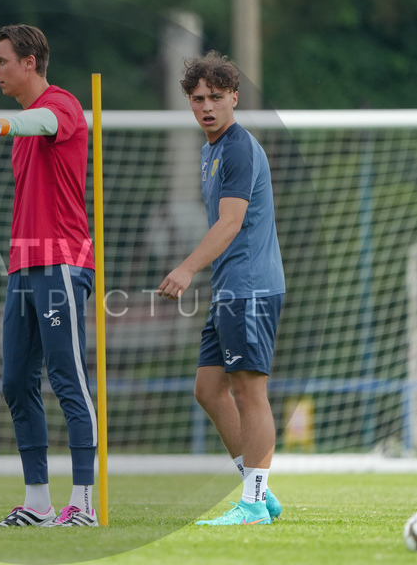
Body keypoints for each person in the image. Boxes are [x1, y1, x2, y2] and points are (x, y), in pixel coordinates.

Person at [0, 24, 98, 527]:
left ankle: (83, 500)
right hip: (22, 265)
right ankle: (38, 502)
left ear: (30, 63)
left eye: (0, 61)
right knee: (16, 381)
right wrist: (5, 126)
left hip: (61, 260)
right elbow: (27, 126)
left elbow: (40, 122)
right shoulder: (22, 125)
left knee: (67, 377)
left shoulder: (62, 106)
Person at [157, 51, 285, 526]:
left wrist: (187, 268)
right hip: (230, 289)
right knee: (209, 390)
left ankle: (252, 503)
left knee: (250, 392)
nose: (206, 106)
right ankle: (260, 492)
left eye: (215, 97)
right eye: (197, 98)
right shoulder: (210, 150)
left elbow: (231, 223)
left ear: (234, 97)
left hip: (250, 287)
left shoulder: (235, 147)